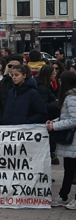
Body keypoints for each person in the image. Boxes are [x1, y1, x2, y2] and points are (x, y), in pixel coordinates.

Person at [47, 71, 76, 208]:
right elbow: (66, 117)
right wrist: (53, 122)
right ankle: (63, 195)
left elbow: (74, 120)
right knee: (69, 169)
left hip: (73, 140)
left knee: (72, 169)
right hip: (71, 141)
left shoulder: (71, 98)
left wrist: (55, 126)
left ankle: (68, 196)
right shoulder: (69, 97)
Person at [0, 55, 24, 123]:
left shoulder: (29, 83)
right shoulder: (3, 82)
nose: (12, 68)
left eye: (15, 66)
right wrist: (0, 120)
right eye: (10, 66)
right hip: (6, 122)